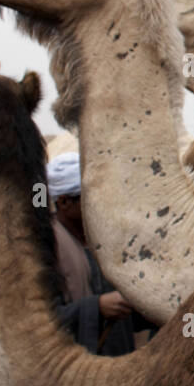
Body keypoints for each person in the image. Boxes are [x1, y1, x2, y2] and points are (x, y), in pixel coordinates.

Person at [47, 152, 151, 355]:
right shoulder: (45, 246)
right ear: (65, 202)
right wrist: (97, 307)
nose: (100, 204)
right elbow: (37, 321)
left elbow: (131, 320)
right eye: (90, 198)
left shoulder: (105, 240)